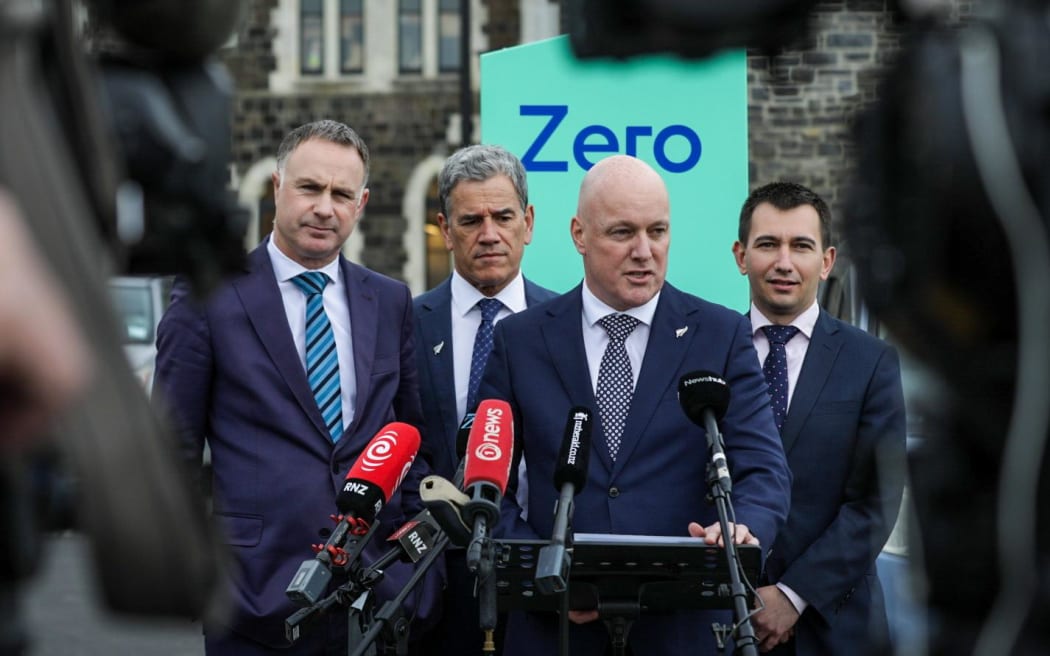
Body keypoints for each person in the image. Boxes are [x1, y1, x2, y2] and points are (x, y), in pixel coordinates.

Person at [478, 155, 792, 655]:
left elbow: (765, 470)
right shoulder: (520, 340)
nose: (644, 252)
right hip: (556, 628)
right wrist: (542, 572)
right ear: (579, 234)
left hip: (682, 630)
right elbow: (481, 486)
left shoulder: (719, 334)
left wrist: (741, 527)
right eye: (622, 232)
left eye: (658, 231)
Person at [153, 120, 436, 654]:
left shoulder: (390, 300)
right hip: (251, 600)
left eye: (342, 193)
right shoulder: (208, 294)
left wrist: (415, 572)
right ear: (277, 187)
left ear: (362, 203)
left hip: (374, 599)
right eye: (310, 188)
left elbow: (411, 440)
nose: (325, 207)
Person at [731, 181, 906, 654]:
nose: (784, 262)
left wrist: (793, 596)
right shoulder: (706, 350)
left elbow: (875, 501)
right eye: (768, 244)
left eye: (801, 246)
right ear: (740, 255)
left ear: (826, 261)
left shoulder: (870, 361)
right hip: (722, 622)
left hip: (836, 628)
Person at [413, 144, 557, 655]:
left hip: (542, 581)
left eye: (503, 216)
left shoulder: (568, 326)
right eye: (471, 220)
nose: (490, 234)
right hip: (434, 585)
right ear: (445, 229)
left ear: (529, 222)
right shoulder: (407, 324)